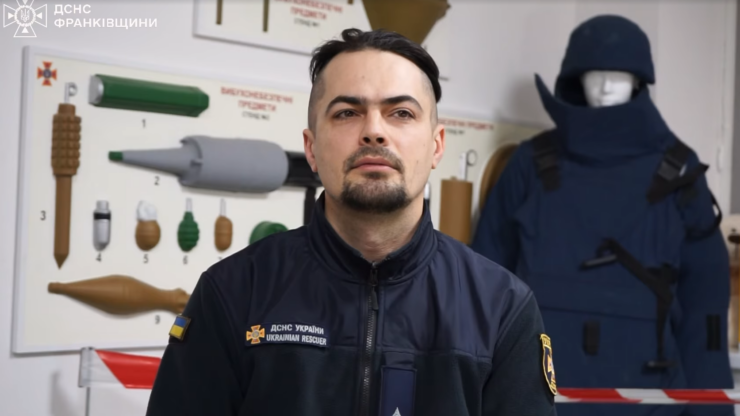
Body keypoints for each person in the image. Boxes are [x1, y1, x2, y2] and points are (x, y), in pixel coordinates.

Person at [146, 28, 557, 416]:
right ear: (311, 149)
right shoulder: (233, 293)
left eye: (401, 112)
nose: (374, 132)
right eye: (347, 113)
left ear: (437, 146)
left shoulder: (502, 308)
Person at [471, 15, 732, 416]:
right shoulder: (531, 164)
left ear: (639, 82)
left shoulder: (679, 170)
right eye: (595, 74)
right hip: (537, 399)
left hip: (651, 403)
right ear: (576, 80)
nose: (607, 86)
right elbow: (483, 288)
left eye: (620, 75)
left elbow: (705, 311)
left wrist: (710, 411)